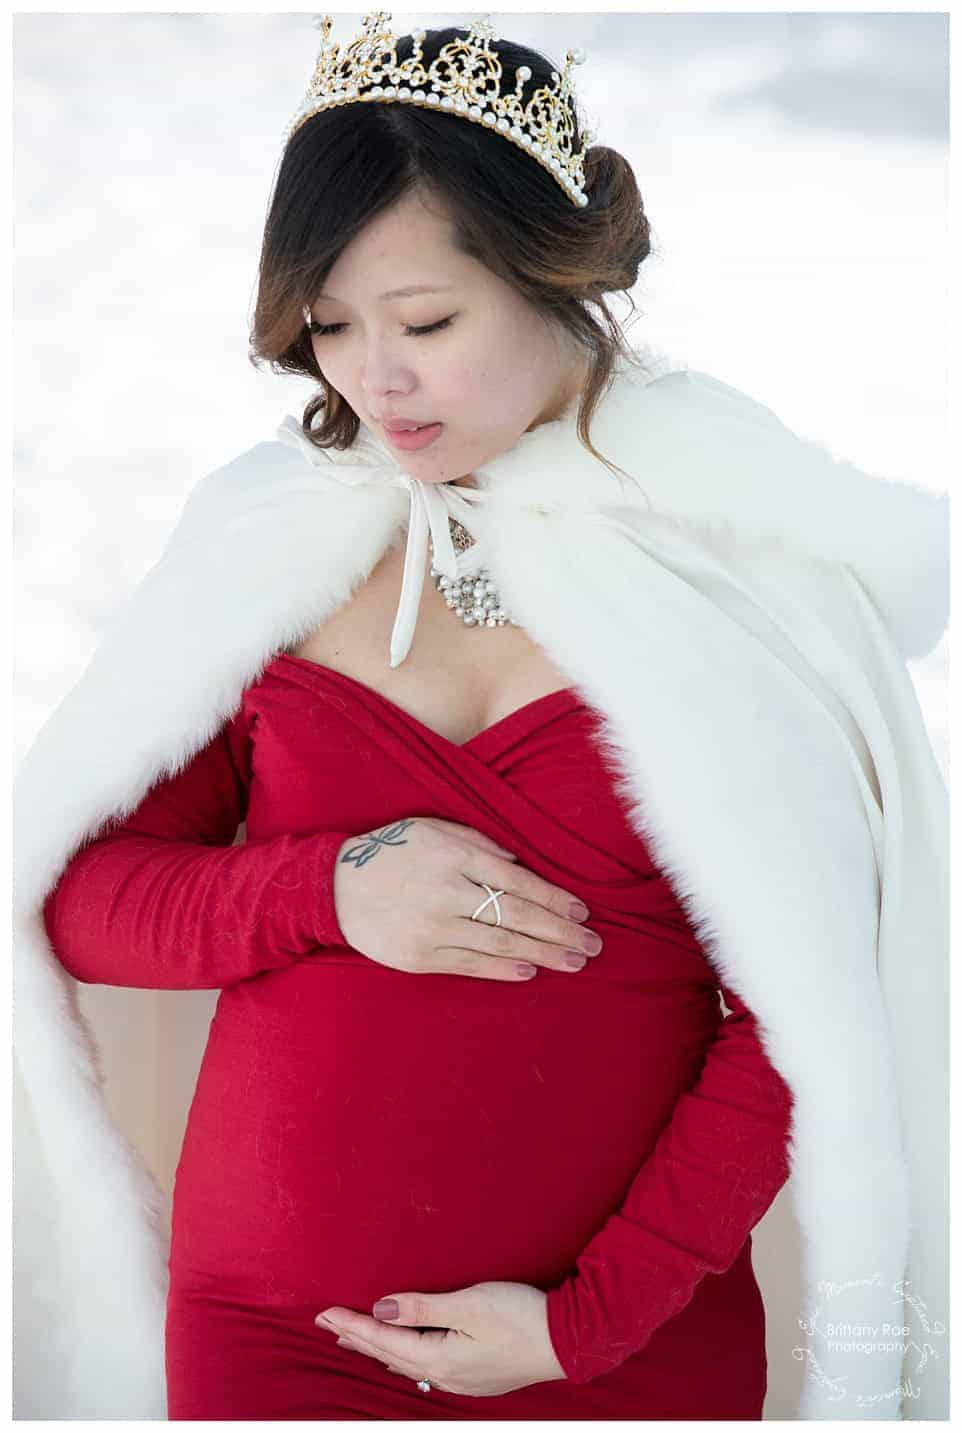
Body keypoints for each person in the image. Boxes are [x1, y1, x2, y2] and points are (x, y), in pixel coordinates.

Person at [13, 12, 948, 1423]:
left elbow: (801, 1012)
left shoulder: (728, 562)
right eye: (329, 326)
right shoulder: (279, 542)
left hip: (620, 1352)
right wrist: (325, 885)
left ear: (554, 279)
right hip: (266, 1340)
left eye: (427, 323)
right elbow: (80, 899)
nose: (371, 382)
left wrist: (589, 1321)